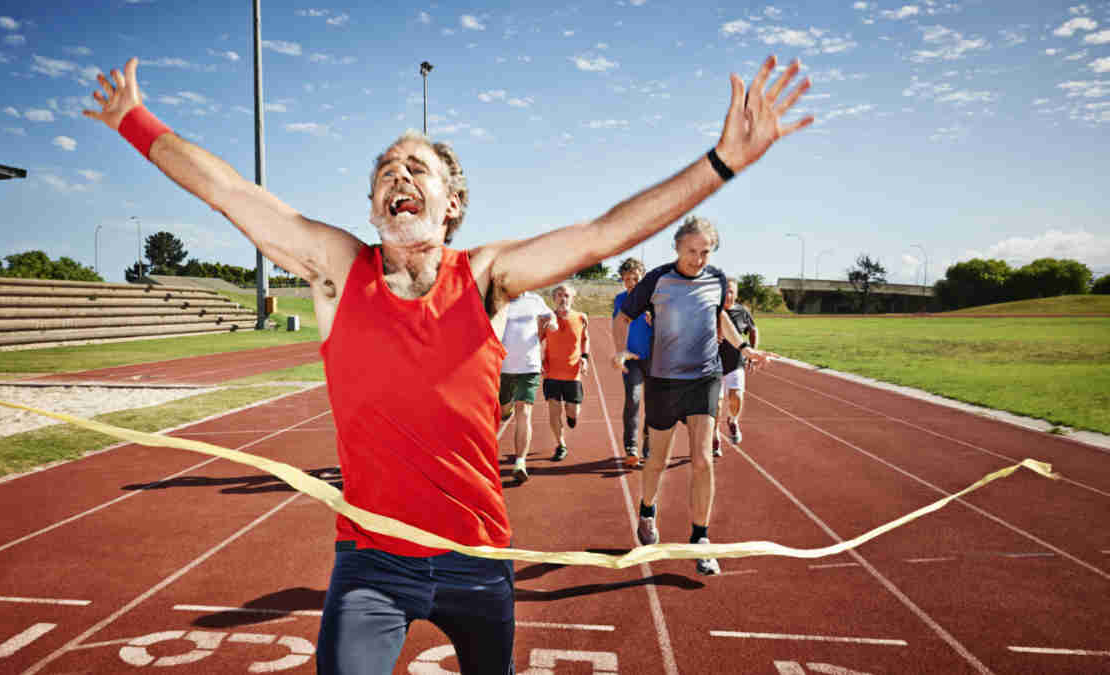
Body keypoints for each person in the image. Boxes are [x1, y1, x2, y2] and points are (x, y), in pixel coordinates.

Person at [85, 54, 811, 674]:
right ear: (375, 206)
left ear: (450, 203)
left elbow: (600, 235)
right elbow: (232, 194)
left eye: (416, 167)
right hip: (372, 565)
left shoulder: (487, 277)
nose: (398, 174)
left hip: (478, 560)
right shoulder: (338, 269)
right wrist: (134, 121)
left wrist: (721, 164)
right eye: (385, 170)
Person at [612, 216, 780, 576]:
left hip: (705, 378)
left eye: (705, 252)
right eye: (692, 251)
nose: (698, 259)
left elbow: (721, 318)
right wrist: (619, 350)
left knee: (702, 459)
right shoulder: (657, 280)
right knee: (656, 459)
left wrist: (744, 349)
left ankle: (701, 538)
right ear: (677, 247)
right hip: (663, 381)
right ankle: (647, 509)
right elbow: (623, 318)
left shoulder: (716, 280)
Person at [498, 291, 556, 483]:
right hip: (502, 366)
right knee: (504, 410)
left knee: (524, 413)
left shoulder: (535, 299)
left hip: (529, 365)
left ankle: (520, 462)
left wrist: (552, 323)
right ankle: (506, 409)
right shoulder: (497, 298)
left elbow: (550, 315)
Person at [540, 282, 589, 461]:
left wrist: (585, 358)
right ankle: (561, 445)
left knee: (572, 411)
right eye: (560, 295)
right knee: (554, 411)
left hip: (572, 373)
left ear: (572, 298)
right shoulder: (546, 319)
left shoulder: (581, 317)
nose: (563, 298)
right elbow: (537, 340)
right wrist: (539, 360)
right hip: (551, 373)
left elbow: (585, 339)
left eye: (567, 295)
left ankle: (572, 417)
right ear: (554, 298)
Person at [613, 258, 652, 467]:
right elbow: (616, 326)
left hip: (654, 358)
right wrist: (621, 351)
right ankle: (631, 447)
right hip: (632, 359)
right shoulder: (620, 300)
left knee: (653, 404)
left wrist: (656, 321)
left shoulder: (654, 299)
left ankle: (648, 446)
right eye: (627, 279)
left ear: (642, 278)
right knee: (634, 399)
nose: (631, 282)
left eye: (635, 278)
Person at [716, 277, 758, 455]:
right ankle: (714, 436)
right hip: (713, 367)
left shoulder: (743, 312)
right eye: (725, 291)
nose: (728, 295)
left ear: (736, 294)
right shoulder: (712, 311)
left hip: (735, 364)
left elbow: (754, 330)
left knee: (736, 398)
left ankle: (733, 421)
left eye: (731, 291)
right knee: (715, 406)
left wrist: (753, 354)